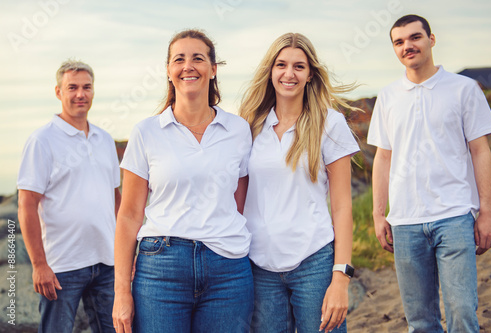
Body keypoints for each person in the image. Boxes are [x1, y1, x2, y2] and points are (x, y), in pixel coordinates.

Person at [112, 29, 254, 333]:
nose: (188, 66)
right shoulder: (146, 132)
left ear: (213, 69)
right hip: (161, 269)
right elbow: (129, 214)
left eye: (198, 58)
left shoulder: (239, 130)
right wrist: (122, 291)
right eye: (179, 59)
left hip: (228, 269)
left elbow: (239, 203)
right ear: (168, 70)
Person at [368, 14, 491, 333]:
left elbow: (480, 151)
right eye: (399, 41)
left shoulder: (464, 89)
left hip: (454, 215)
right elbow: (383, 158)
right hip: (405, 221)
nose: (407, 46)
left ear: (431, 39)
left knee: (462, 310)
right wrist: (377, 213)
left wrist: (487, 212)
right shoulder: (387, 96)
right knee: (420, 320)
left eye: (415, 37)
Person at [240, 33, 359, 333]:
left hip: (314, 263)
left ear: (310, 75)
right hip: (259, 266)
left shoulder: (330, 123)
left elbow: (343, 207)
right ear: (270, 72)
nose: (289, 74)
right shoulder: (249, 126)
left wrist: (340, 277)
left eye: (299, 66)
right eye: (281, 65)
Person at [17, 59, 121, 333]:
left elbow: (116, 199)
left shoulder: (105, 139)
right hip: (62, 265)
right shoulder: (42, 140)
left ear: (93, 91)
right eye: (72, 87)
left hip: (107, 262)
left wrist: (125, 254)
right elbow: (26, 205)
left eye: (87, 87)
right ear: (58, 92)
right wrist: (39, 265)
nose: (80, 94)